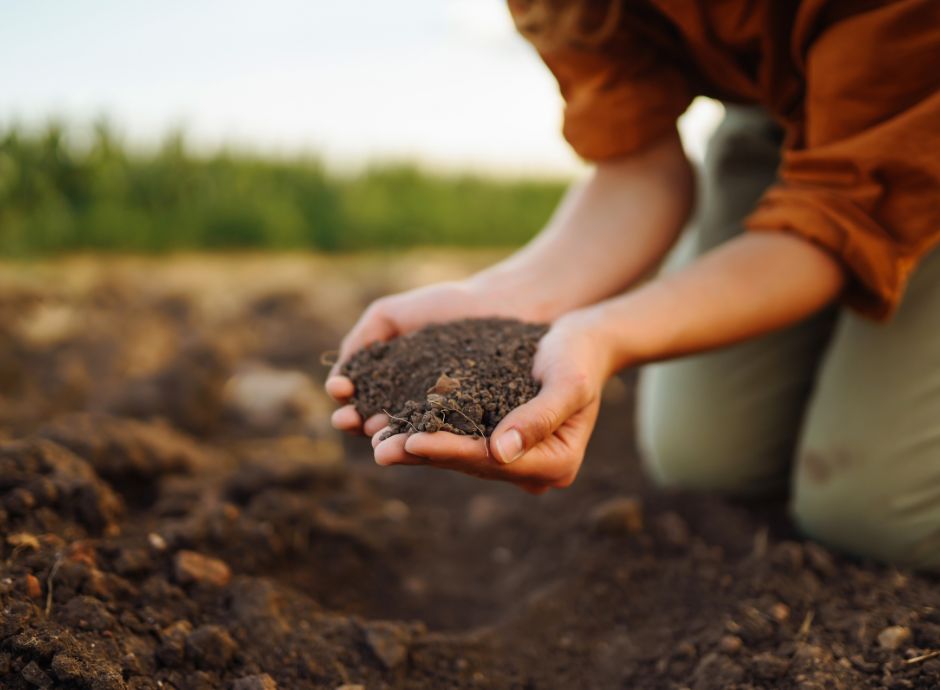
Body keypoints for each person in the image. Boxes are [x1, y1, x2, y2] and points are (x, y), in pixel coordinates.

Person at [326, 0, 940, 569]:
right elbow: (637, 169)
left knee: (875, 513)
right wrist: (512, 302)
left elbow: (836, 218)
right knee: (706, 458)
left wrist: (609, 334)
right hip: (785, 111)